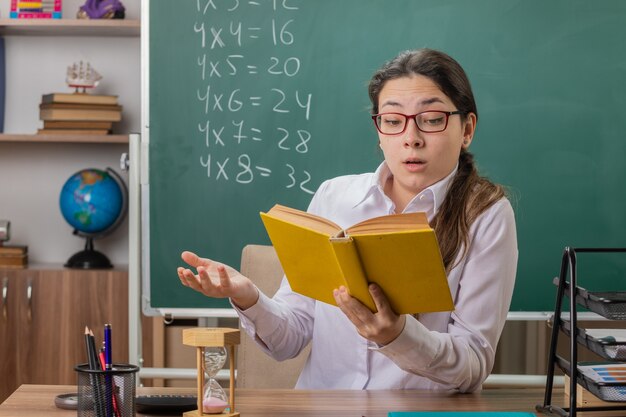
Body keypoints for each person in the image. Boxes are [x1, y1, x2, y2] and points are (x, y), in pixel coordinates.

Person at [177, 48, 518, 392]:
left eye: (431, 119)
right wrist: (249, 296)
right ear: (380, 130)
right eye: (393, 120)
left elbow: (473, 364)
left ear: (467, 129)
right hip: (323, 410)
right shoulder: (334, 197)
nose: (411, 138)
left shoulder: (486, 214)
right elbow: (289, 339)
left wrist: (398, 336)